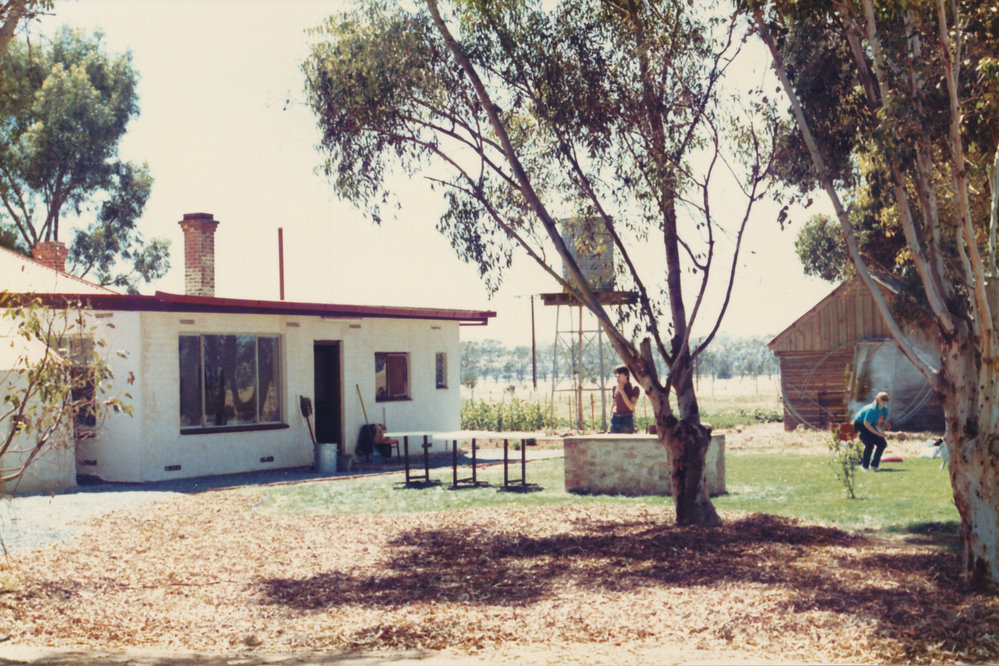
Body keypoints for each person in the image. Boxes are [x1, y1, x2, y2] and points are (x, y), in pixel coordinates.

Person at [853, 391, 890, 471]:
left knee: (882, 443)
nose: (884, 401)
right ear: (877, 400)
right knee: (869, 445)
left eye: (886, 399)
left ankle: (874, 465)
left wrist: (883, 431)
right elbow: (866, 424)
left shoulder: (885, 409)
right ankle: (865, 467)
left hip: (871, 425)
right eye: (882, 399)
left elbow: (883, 422)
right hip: (860, 425)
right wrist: (878, 433)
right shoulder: (871, 410)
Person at [610, 366, 641, 434]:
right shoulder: (615, 388)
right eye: (616, 376)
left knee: (626, 443)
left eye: (619, 375)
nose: (617, 378)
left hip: (626, 419)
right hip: (615, 418)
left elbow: (631, 406)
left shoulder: (634, 389)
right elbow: (614, 404)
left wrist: (622, 391)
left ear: (625, 375)